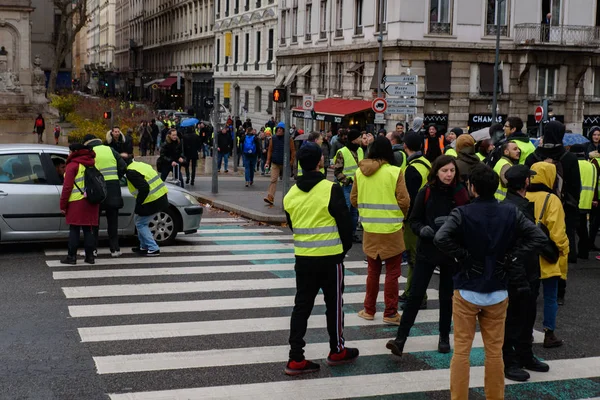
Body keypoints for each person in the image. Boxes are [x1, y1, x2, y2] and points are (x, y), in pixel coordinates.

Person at [432, 164, 546, 400]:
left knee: (462, 351)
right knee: (494, 353)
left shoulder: (462, 213)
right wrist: (512, 256)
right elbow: (538, 237)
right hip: (498, 288)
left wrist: (463, 256)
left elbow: (441, 237)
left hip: (467, 287)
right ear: (497, 187)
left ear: (472, 188)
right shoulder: (510, 212)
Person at [283, 143, 357, 376]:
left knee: (301, 307)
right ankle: (337, 350)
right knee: (334, 305)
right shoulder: (330, 188)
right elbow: (345, 224)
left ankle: (296, 358)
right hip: (330, 259)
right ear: (319, 163)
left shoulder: (290, 194)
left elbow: (293, 225)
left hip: (303, 259)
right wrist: (342, 250)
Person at [387, 155, 470, 356]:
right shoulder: (426, 192)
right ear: (436, 172)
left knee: (446, 296)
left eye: (452, 171)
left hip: (450, 252)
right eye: (444, 171)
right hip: (427, 249)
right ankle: (400, 339)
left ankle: (443, 337)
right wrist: (422, 229)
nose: (449, 175)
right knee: (415, 294)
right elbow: (413, 220)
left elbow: (468, 221)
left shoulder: (461, 193)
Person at [351, 137, 410, 325]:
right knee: (393, 273)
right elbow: (404, 201)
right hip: (392, 229)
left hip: (369, 229)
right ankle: (390, 313)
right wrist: (402, 217)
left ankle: (369, 309)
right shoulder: (395, 172)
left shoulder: (360, 173)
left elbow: (354, 199)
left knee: (372, 271)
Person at [502, 164, 550, 382]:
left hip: (527, 270)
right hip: (520, 271)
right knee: (515, 317)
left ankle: (524, 354)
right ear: (526, 183)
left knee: (526, 315)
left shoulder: (514, 204)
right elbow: (519, 243)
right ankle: (511, 359)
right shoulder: (516, 208)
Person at [525, 121, 579, 303]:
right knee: (560, 248)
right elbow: (575, 189)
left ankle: (532, 285)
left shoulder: (533, 157)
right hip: (562, 209)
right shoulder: (569, 158)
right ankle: (559, 289)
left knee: (532, 244)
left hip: (534, 207)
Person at [525, 162, 569, 347]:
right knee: (550, 296)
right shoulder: (552, 199)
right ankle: (549, 333)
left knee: (528, 298)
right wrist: (564, 249)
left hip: (527, 255)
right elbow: (557, 232)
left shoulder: (523, 195)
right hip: (547, 255)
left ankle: (526, 333)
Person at [399, 131, 431, 308]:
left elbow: (408, 199)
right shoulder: (426, 163)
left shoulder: (412, 168)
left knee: (414, 259)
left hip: (413, 220)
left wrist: (404, 219)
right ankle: (410, 291)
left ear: (405, 147)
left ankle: (418, 296)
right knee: (415, 258)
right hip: (425, 216)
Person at [83, 134, 127, 258]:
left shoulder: (90, 152)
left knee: (94, 222)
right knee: (113, 221)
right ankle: (115, 249)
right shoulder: (110, 150)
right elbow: (123, 166)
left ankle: (93, 249)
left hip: (97, 190)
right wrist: (116, 178)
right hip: (113, 189)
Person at [59, 143, 100, 265]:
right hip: (91, 201)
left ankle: (71, 257)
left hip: (77, 201)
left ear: (74, 152)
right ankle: (90, 257)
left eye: (70, 151)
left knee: (74, 229)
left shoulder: (72, 166)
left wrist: (63, 205)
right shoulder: (92, 163)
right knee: (88, 229)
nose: (69, 153)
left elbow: (67, 187)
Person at [125, 159, 169, 257]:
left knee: (141, 223)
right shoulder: (139, 165)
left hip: (152, 200)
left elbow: (144, 188)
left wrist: (139, 203)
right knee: (138, 221)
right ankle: (144, 246)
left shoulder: (130, 172)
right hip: (160, 196)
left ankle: (153, 248)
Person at [333, 129, 364, 243]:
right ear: (354, 139)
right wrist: (347, 181)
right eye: (359, 137)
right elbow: (337, 171)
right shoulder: (342, 152)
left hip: (358, 186)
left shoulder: (360, 150)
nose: (361, 139)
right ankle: (344, 233)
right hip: (347, 186)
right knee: (346, 211)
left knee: (354, 213)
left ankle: (352, 234)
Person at [570, 144, 597, 260]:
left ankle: (574, 253)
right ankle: (584, 252)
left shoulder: (575, 165)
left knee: (573, 229)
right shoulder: (592, 166)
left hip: (576, 200)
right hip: (588, 201)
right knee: (583, 229)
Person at [264, 122, 296, 205]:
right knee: (273, 180)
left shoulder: (289, 139)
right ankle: (270, 197)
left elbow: (293, 151)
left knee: (286, 181)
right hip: (275, 162)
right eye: (278, 129)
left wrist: (291, 162)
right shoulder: (273, 139)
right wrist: (268, 161)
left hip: (285, 163)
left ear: (284, 131)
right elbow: (270, 150)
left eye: (281, 129)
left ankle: (288, 199)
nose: (279, 130)